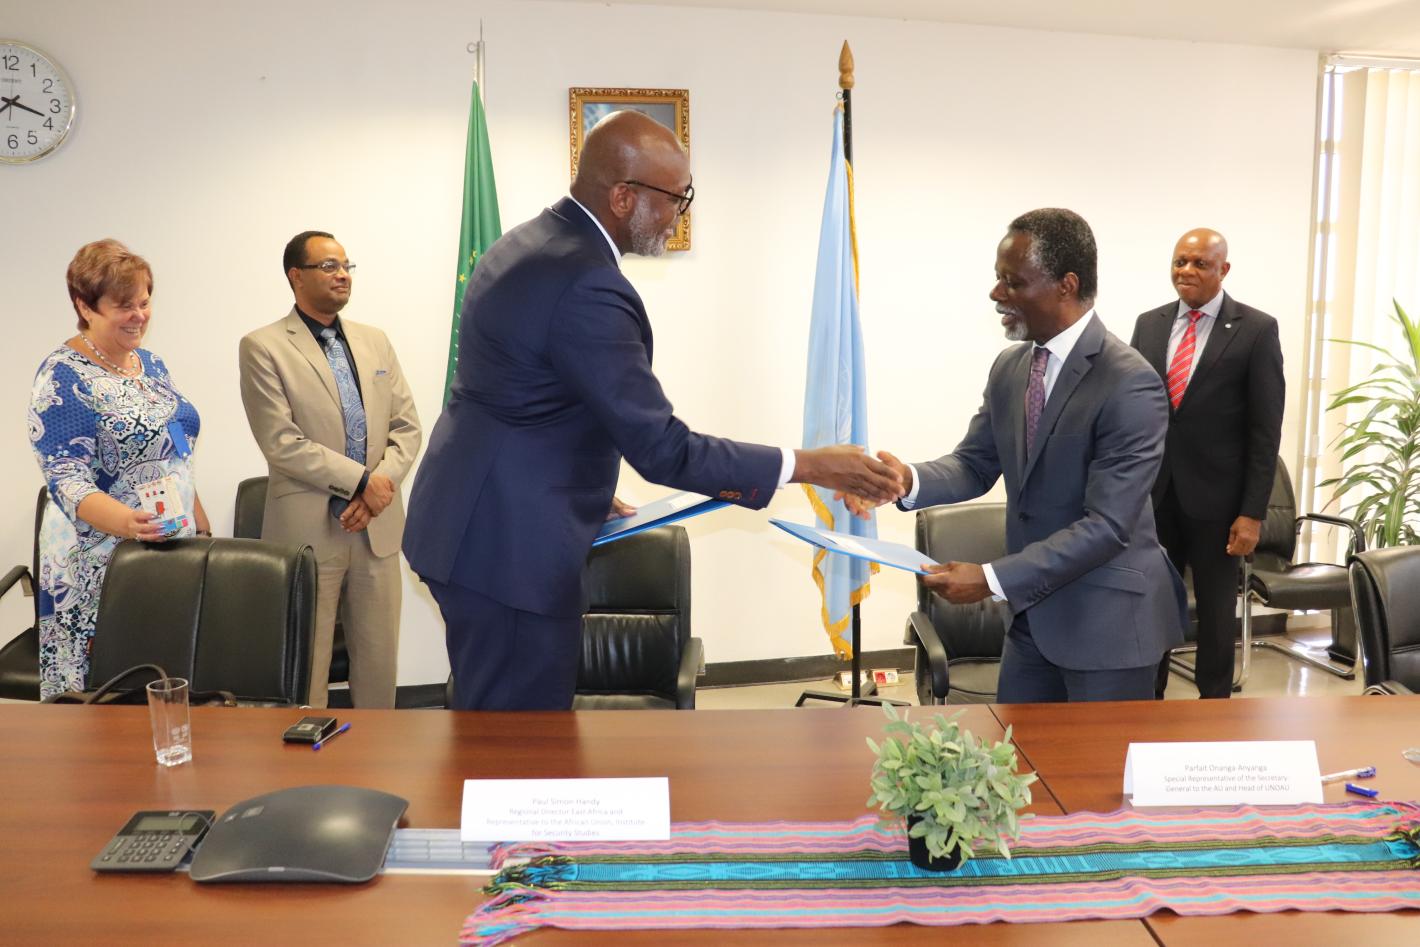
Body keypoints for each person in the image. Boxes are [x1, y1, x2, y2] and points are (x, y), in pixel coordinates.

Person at [403, 109, 903, 711]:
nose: (678, 217)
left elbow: (529, 398)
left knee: (501, 725)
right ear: (623, 197)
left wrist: (580, 483)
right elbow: (663, 448)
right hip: (508, 551)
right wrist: (810, 465)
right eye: (675, 199)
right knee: (521, 743)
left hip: (478, 520)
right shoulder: (586, 283)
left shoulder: (531, 241)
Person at [850, 209, 1187, 703]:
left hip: (1107, 626)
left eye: (1013, 282)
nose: (996, 293)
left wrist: (991, 578)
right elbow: (974, 463)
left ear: (1066, 285)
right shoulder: (1011, 368)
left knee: (1095, 758)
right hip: (1031, 622)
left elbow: (1107, 526)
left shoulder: (1129, 382)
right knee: (1014, 751)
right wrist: (905, 480)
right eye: (998, 278)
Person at [238, 231, 422, 709]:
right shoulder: (263, 346)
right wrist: (362, 482)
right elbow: (281, 443)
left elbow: (406, 427)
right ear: (295, 276)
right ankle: (308, 756)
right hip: (308, 532)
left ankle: (376, 751)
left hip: (377, 527)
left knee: (379, 664)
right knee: (307, 668)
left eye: (345, 266)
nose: (342, 275)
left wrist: (378, 487)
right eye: (328, 266)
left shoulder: (375, 341)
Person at [28, 239, 211, 699]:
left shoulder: (150, 363)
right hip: (98, 561)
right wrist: (129, 523)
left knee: (167, 681)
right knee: (107, 697)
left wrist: (199, 518)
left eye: (144, 303)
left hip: (165, 543)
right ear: (84, 306)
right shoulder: (62, 375)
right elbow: (67, 480)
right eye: (124, 306)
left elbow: (173, 447)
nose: (139, 316)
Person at [1130, 229, 1284, 699]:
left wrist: (1252, 513)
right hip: (1154, 496)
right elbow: (1133, 409)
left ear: (1223, 269)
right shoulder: (1149, 324)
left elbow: (1265, 431)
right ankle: (1145, 699)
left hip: (1219, 505)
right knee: (1150, 604)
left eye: (1199, 263)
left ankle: (1214, 707)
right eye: (1180, 261)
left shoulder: (1256, 329)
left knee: (1217, 614)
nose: (1187, 271)